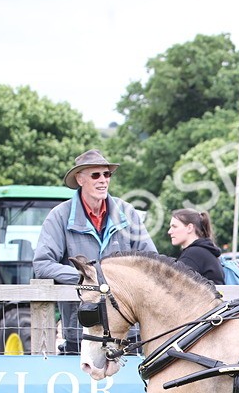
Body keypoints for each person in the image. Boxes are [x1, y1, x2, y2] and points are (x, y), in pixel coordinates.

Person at [33, 149, 157, 354]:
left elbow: (151, 261)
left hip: (128, 328)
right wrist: (90, 279)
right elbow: (42, 264)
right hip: (81, 328)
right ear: (79, 179)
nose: (103, 180)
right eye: (96, 175)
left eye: (107, 174)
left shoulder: (128, 212)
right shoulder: (59, 216)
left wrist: (119, 282)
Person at [168, 209, 224, 284]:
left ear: (189, 228)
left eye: (174, 227)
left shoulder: (193, 254)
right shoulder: (204, 251)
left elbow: (176, 287)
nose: (169, 231)